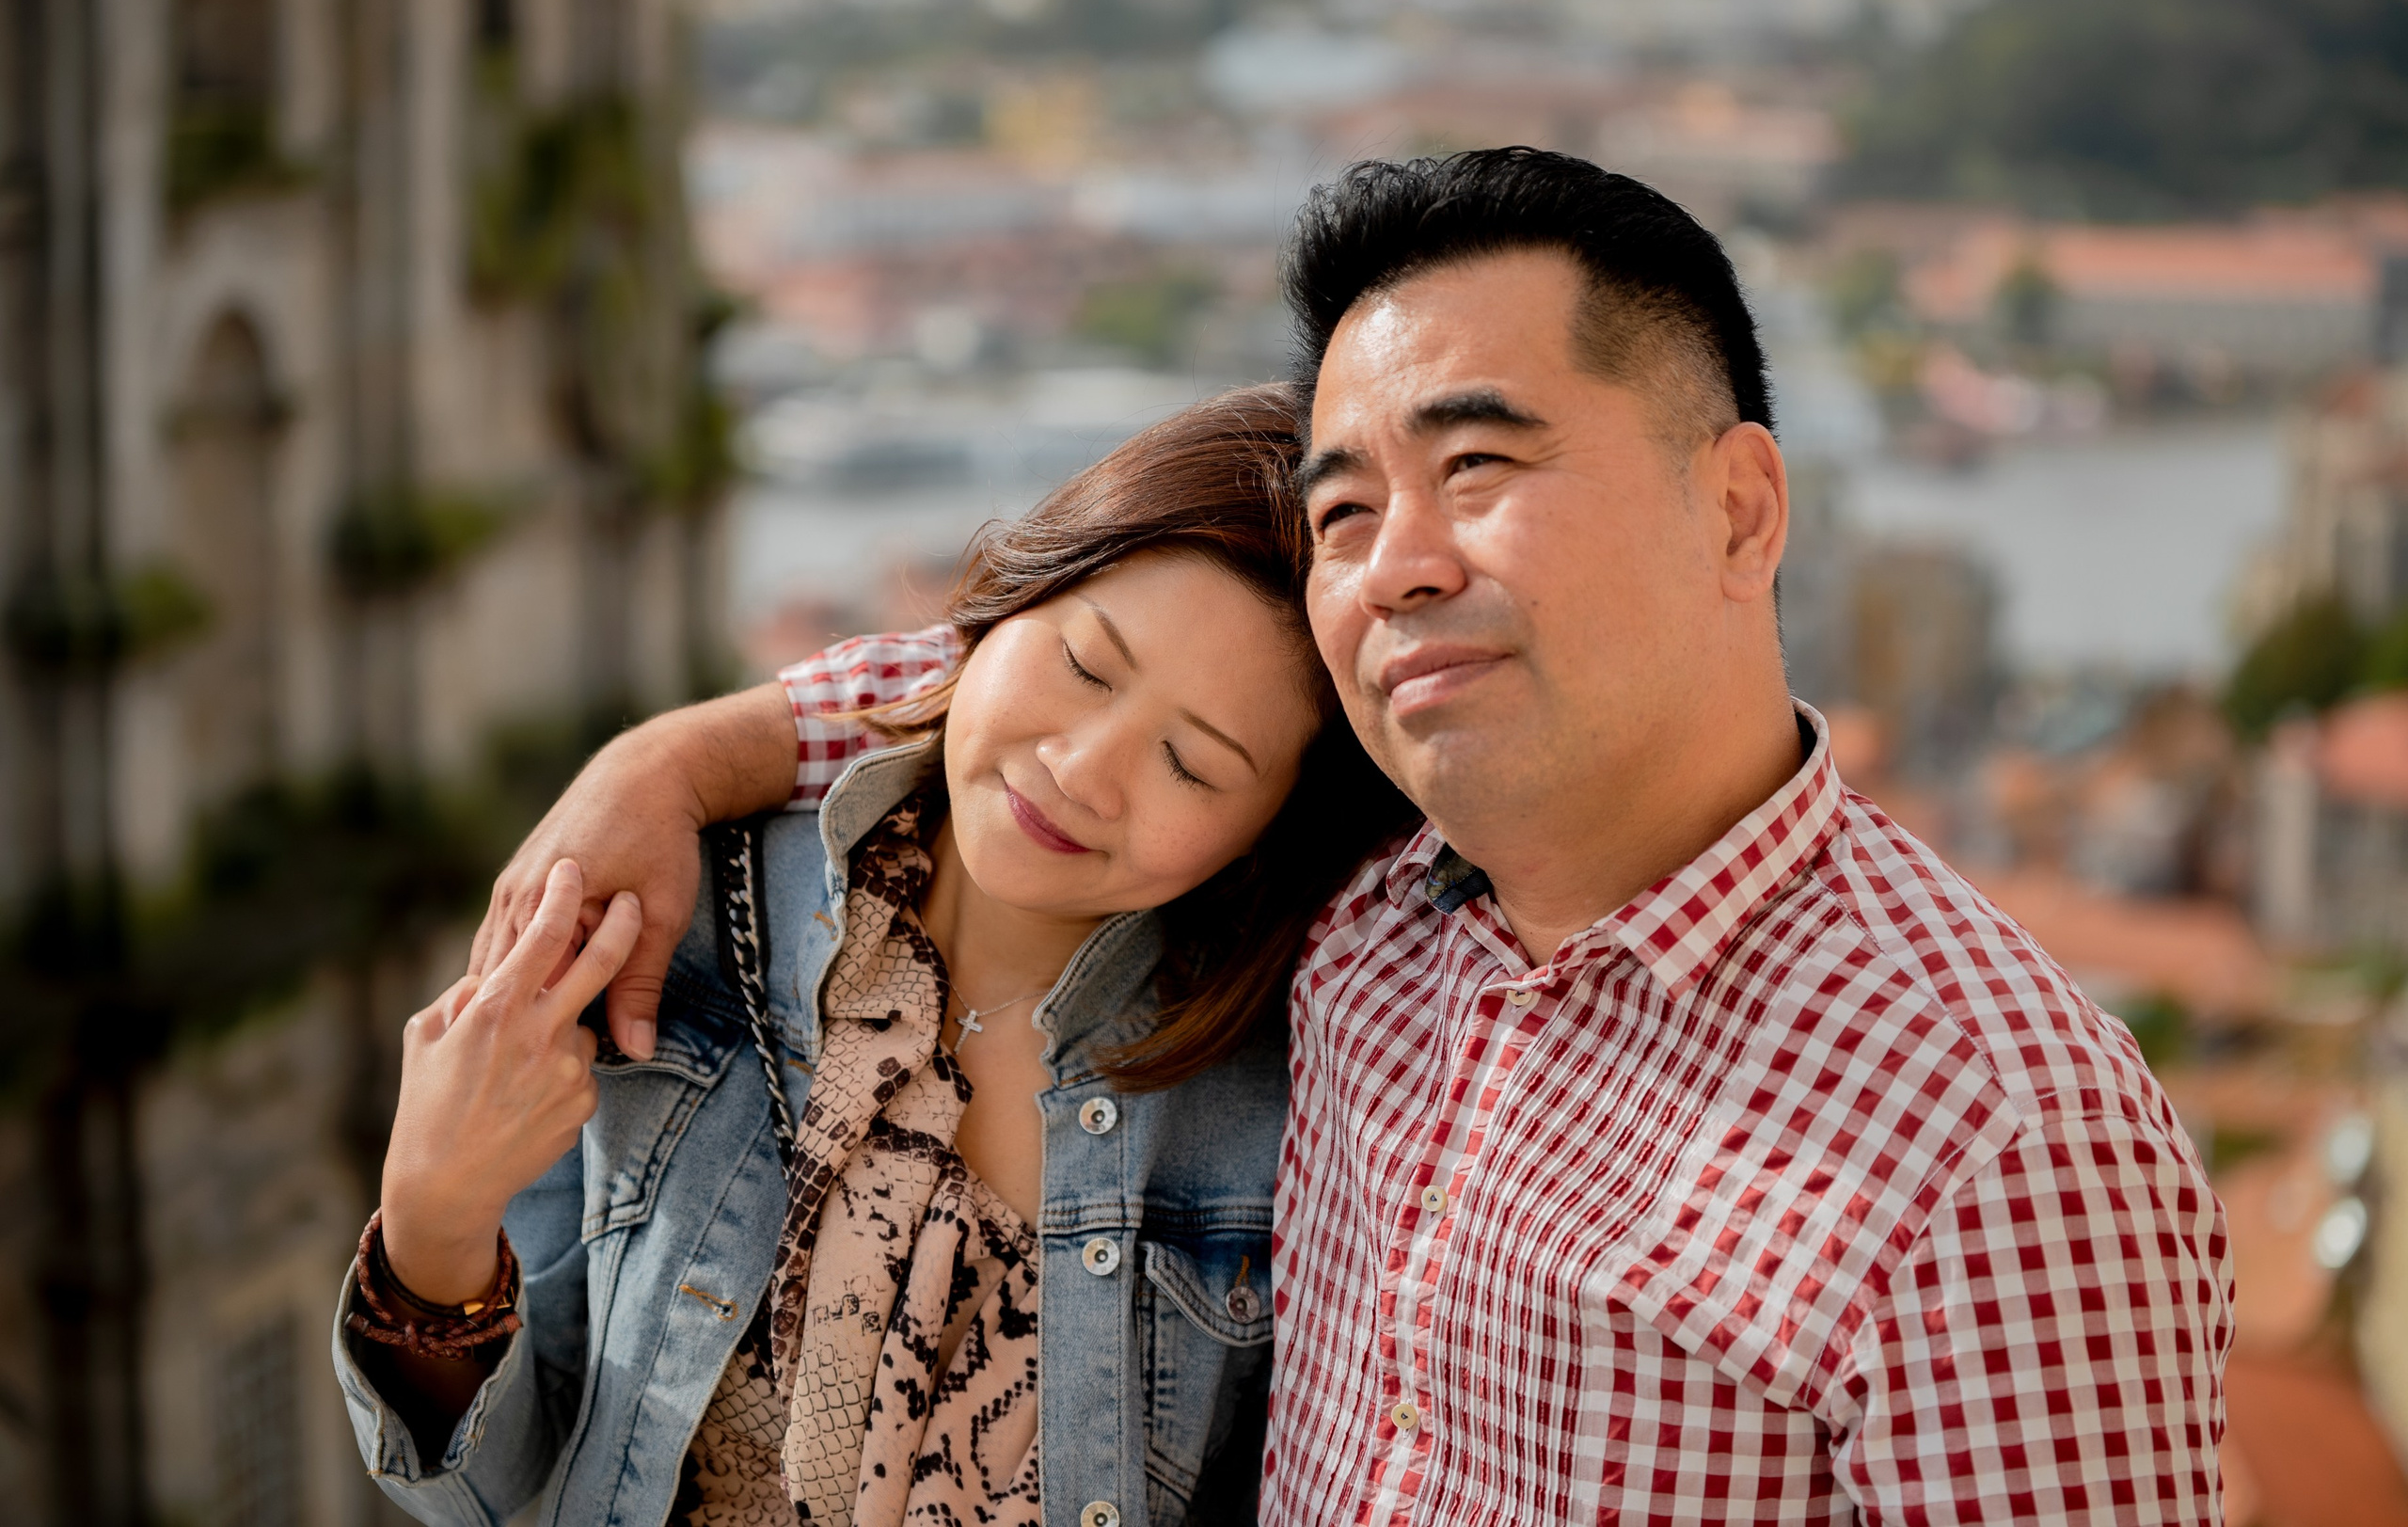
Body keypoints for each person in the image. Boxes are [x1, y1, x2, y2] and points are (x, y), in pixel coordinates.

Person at [456, 150, 2234, 1524]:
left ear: (1741, 506)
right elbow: (1057, 689)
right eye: (1349, 511)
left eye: (1479, 469)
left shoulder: (1996, 1135)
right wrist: (681, 759)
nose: (1398, 563)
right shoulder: (1366, 911)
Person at [330, 384, 1415, 1527]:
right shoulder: (684, 925)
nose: (1081, 766)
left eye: (1191, 765)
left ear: (1272, 834)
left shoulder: (1289, 1097)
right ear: (1004, 603)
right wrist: (432, 1220)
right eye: (1085, 666)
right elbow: (482, 1495)